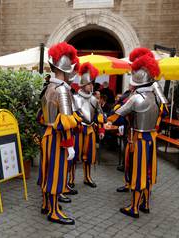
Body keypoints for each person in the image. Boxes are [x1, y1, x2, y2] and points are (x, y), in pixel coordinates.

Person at [108, 48, 168, 218]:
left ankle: (134, 207)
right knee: (148, 171)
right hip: (151, 137)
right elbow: (163, 112)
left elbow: (117, 116)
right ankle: (145, 203)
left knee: (138, 172)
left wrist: (107, 120)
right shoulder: (157, 95)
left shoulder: (135, 97)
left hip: (139, 137)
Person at [37, 42, 79, 225]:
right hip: (57, 138)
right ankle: (54, 211)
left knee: (47, 171)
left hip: (47, 134)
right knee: (56, 173)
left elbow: (40, 116)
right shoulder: (62, 90)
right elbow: (66, 122)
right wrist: (69, 145)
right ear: (66, 69)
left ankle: (46, 203)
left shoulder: (48, 87)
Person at [68, 62, 105, 191]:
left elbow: (100, 115)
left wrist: (101, 129)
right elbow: (70, 115)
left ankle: (87, 177)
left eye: (92, 84)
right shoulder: (74, 98)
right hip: (77, 131)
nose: (91, 86)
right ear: (83, 85)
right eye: (89, 84)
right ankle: (71, 178)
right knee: (74, 156)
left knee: (89, 156)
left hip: (90, 130)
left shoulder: (95, 100)